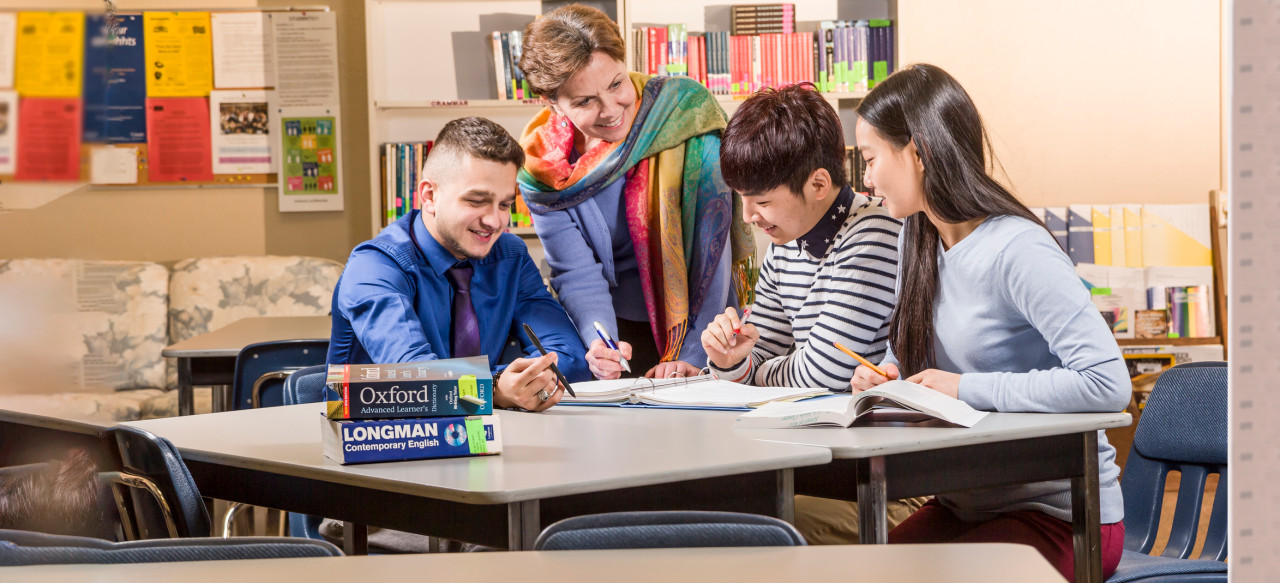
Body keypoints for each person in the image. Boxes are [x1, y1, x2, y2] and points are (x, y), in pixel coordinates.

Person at [848, 64, 1129, 581]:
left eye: (868, 159)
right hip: (965, 506)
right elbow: (907, 354)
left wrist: (965, 388)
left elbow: (1108, 383)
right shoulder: (918, 239)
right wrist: (884, 375)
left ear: (918, 152)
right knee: (860, 572)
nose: (864, 179)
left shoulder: (1018, 249)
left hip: (1064, 517)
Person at [700, 83, 925, 544]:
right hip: (824, 467)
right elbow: (764, 356)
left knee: (741, 528)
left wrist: (752, 371)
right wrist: (729, 361)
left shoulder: (874, 235)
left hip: (894, 484)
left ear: (819, 184)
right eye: (742, 198)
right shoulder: (788, 245)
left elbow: (826, 372)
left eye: (761, 201)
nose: (748, 217)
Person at [516, 4, 756, 380]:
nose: (611, 110)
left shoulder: (687, 112)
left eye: (616, 84)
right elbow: (577, 273)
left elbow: (714, 247)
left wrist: (696, 353)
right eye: (584, 101)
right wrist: (601, 345)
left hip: (705, 327)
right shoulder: (541, 168)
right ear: (551, 102)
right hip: (617, 332)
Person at [328, 115, 590, 412]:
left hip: (482, 438)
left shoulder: (510, 256)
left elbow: (569, 358)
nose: (495, 221)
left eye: (504, 204)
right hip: (381, 442)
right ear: (429, 196)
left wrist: (525, 384)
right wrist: (493, 387)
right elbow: (414, 379)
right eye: (477, 201)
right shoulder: (374, 267)